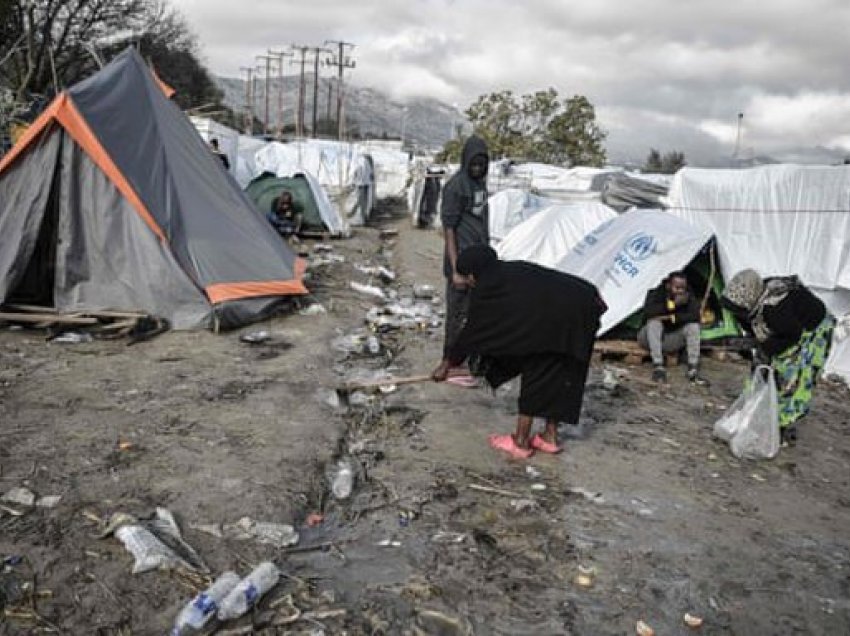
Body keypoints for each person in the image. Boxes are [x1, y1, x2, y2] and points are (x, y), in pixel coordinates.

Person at [433, 245, 607, 459]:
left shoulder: (488, 288)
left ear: (473, 273)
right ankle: (549, 437)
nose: (468, 283)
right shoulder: (511, 270)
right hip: (583, 305)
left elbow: (472, 332)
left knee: (536, 370)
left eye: (466, 277)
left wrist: (447, 364)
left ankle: (521, 442)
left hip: (563, 317)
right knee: (561, 373)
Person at [722, 269, 834, 444]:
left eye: (738, 311)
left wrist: (766, 350)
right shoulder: (754, 300)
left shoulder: (774, 310)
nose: (736, 315)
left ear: (747, 302)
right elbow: (757, 332)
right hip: (789, 328)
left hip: (814, 329)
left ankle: (781, 425)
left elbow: (791, 335)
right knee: (761, 370)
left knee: (790, 378)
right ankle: (754, 410)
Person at [432, 136, 490, 380]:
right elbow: (449, 229)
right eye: (473, 165)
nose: (477, 169)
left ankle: (471, 361)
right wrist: (456, 269)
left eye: (481, 164)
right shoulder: (456, 186)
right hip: (462, 261)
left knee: (478, 314)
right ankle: (447, 361)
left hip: (480, 262)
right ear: (466, 162)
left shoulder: (480, 185)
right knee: (456, 314)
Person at [638, 271, 704, 384]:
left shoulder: (688, 296)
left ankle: (693, 367)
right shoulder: (655, 293)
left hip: (671, 339)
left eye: (682, 288)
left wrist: (672, 318)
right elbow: (649, 312)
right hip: (650, 339)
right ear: (668, 285)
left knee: (693, 327)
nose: (680, 291)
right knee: (654, 323)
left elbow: (694, 316)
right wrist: (672, 306)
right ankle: (658, 365)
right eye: (677, 287)